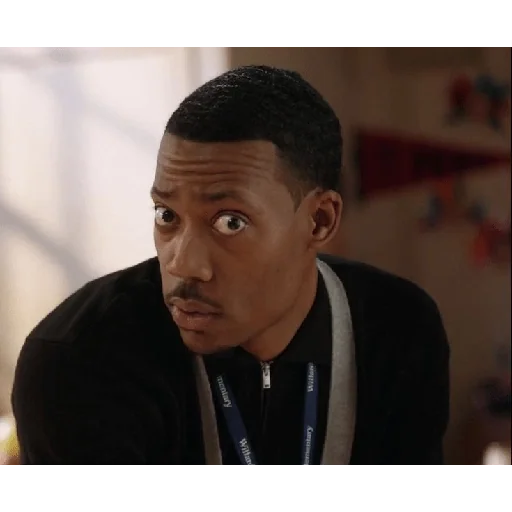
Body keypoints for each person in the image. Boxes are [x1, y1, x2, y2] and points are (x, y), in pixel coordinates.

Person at [11, 65, 450, 471]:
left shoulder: (398, 328)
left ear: (319, 220)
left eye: (229, 222)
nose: (183, 264)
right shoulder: (81, 358)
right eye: (167, 215)